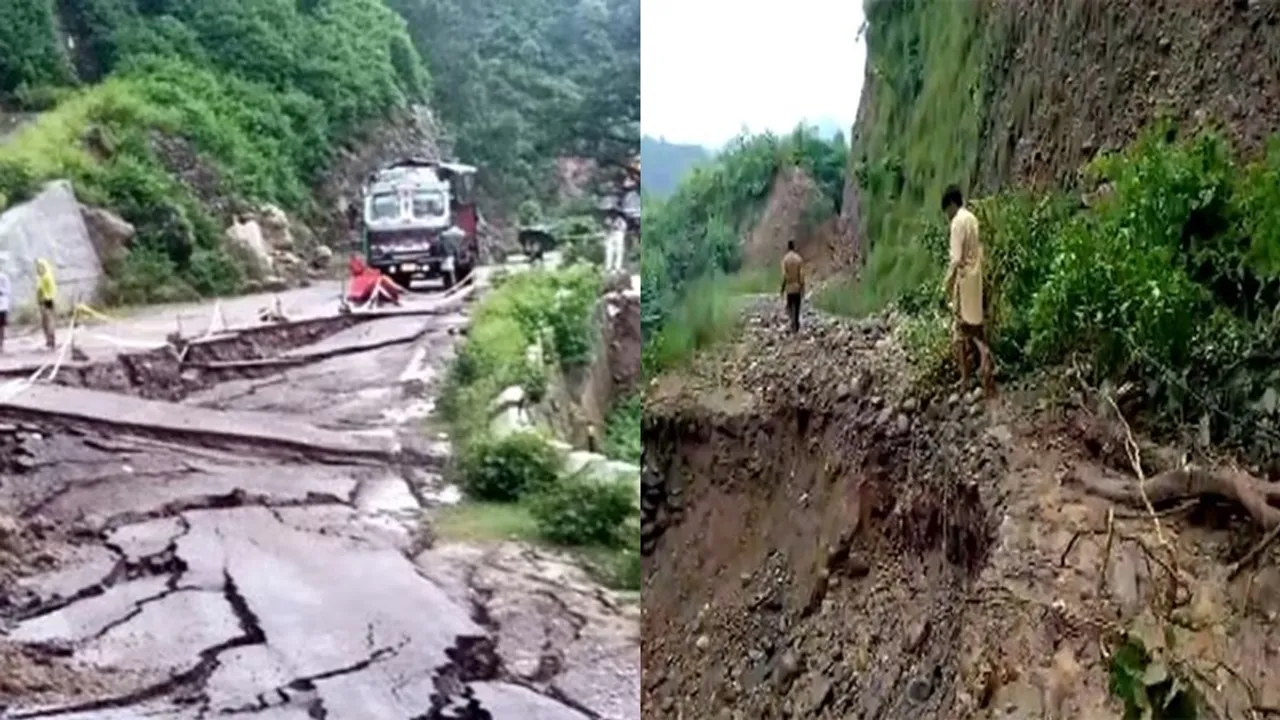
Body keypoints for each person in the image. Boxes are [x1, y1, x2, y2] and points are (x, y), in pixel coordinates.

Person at [941, 185, 995, 397]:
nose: (947, 215)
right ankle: (983, 363)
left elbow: (955, 260)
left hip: (963, 281)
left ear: (951, 205)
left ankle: (965, 377)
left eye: (947, 211)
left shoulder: (957, 223)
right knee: (976, 327)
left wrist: (945, 284)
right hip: (976, 278)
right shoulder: (972, 218)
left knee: (959, 331)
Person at [780, 241, 804, 334]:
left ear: (787, 247)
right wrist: (802, 286)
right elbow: (801, 275)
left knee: (790, 306)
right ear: (794, 247)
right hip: (797, 287)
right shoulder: (799, 259)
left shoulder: (785, 260)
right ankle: (796, 323)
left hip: (789, 288)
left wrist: (782, 288)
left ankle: (792, 322)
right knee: (797, 306)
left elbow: (784, 276)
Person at [35, 258, 57, 350]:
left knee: (49, 322)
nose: (38, 269)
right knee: (44, 323)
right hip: (42, 302)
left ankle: (51, 341)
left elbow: (52, 290)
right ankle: (48, 340)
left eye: (40, 267)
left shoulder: (46, 277)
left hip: (47, 301)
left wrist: (47, 298)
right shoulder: (41, 277)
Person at [0, 254, 10, 352]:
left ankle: (2, 343)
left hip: (2, 304)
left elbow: (8, 291)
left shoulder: (4, 277)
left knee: (2, 325)